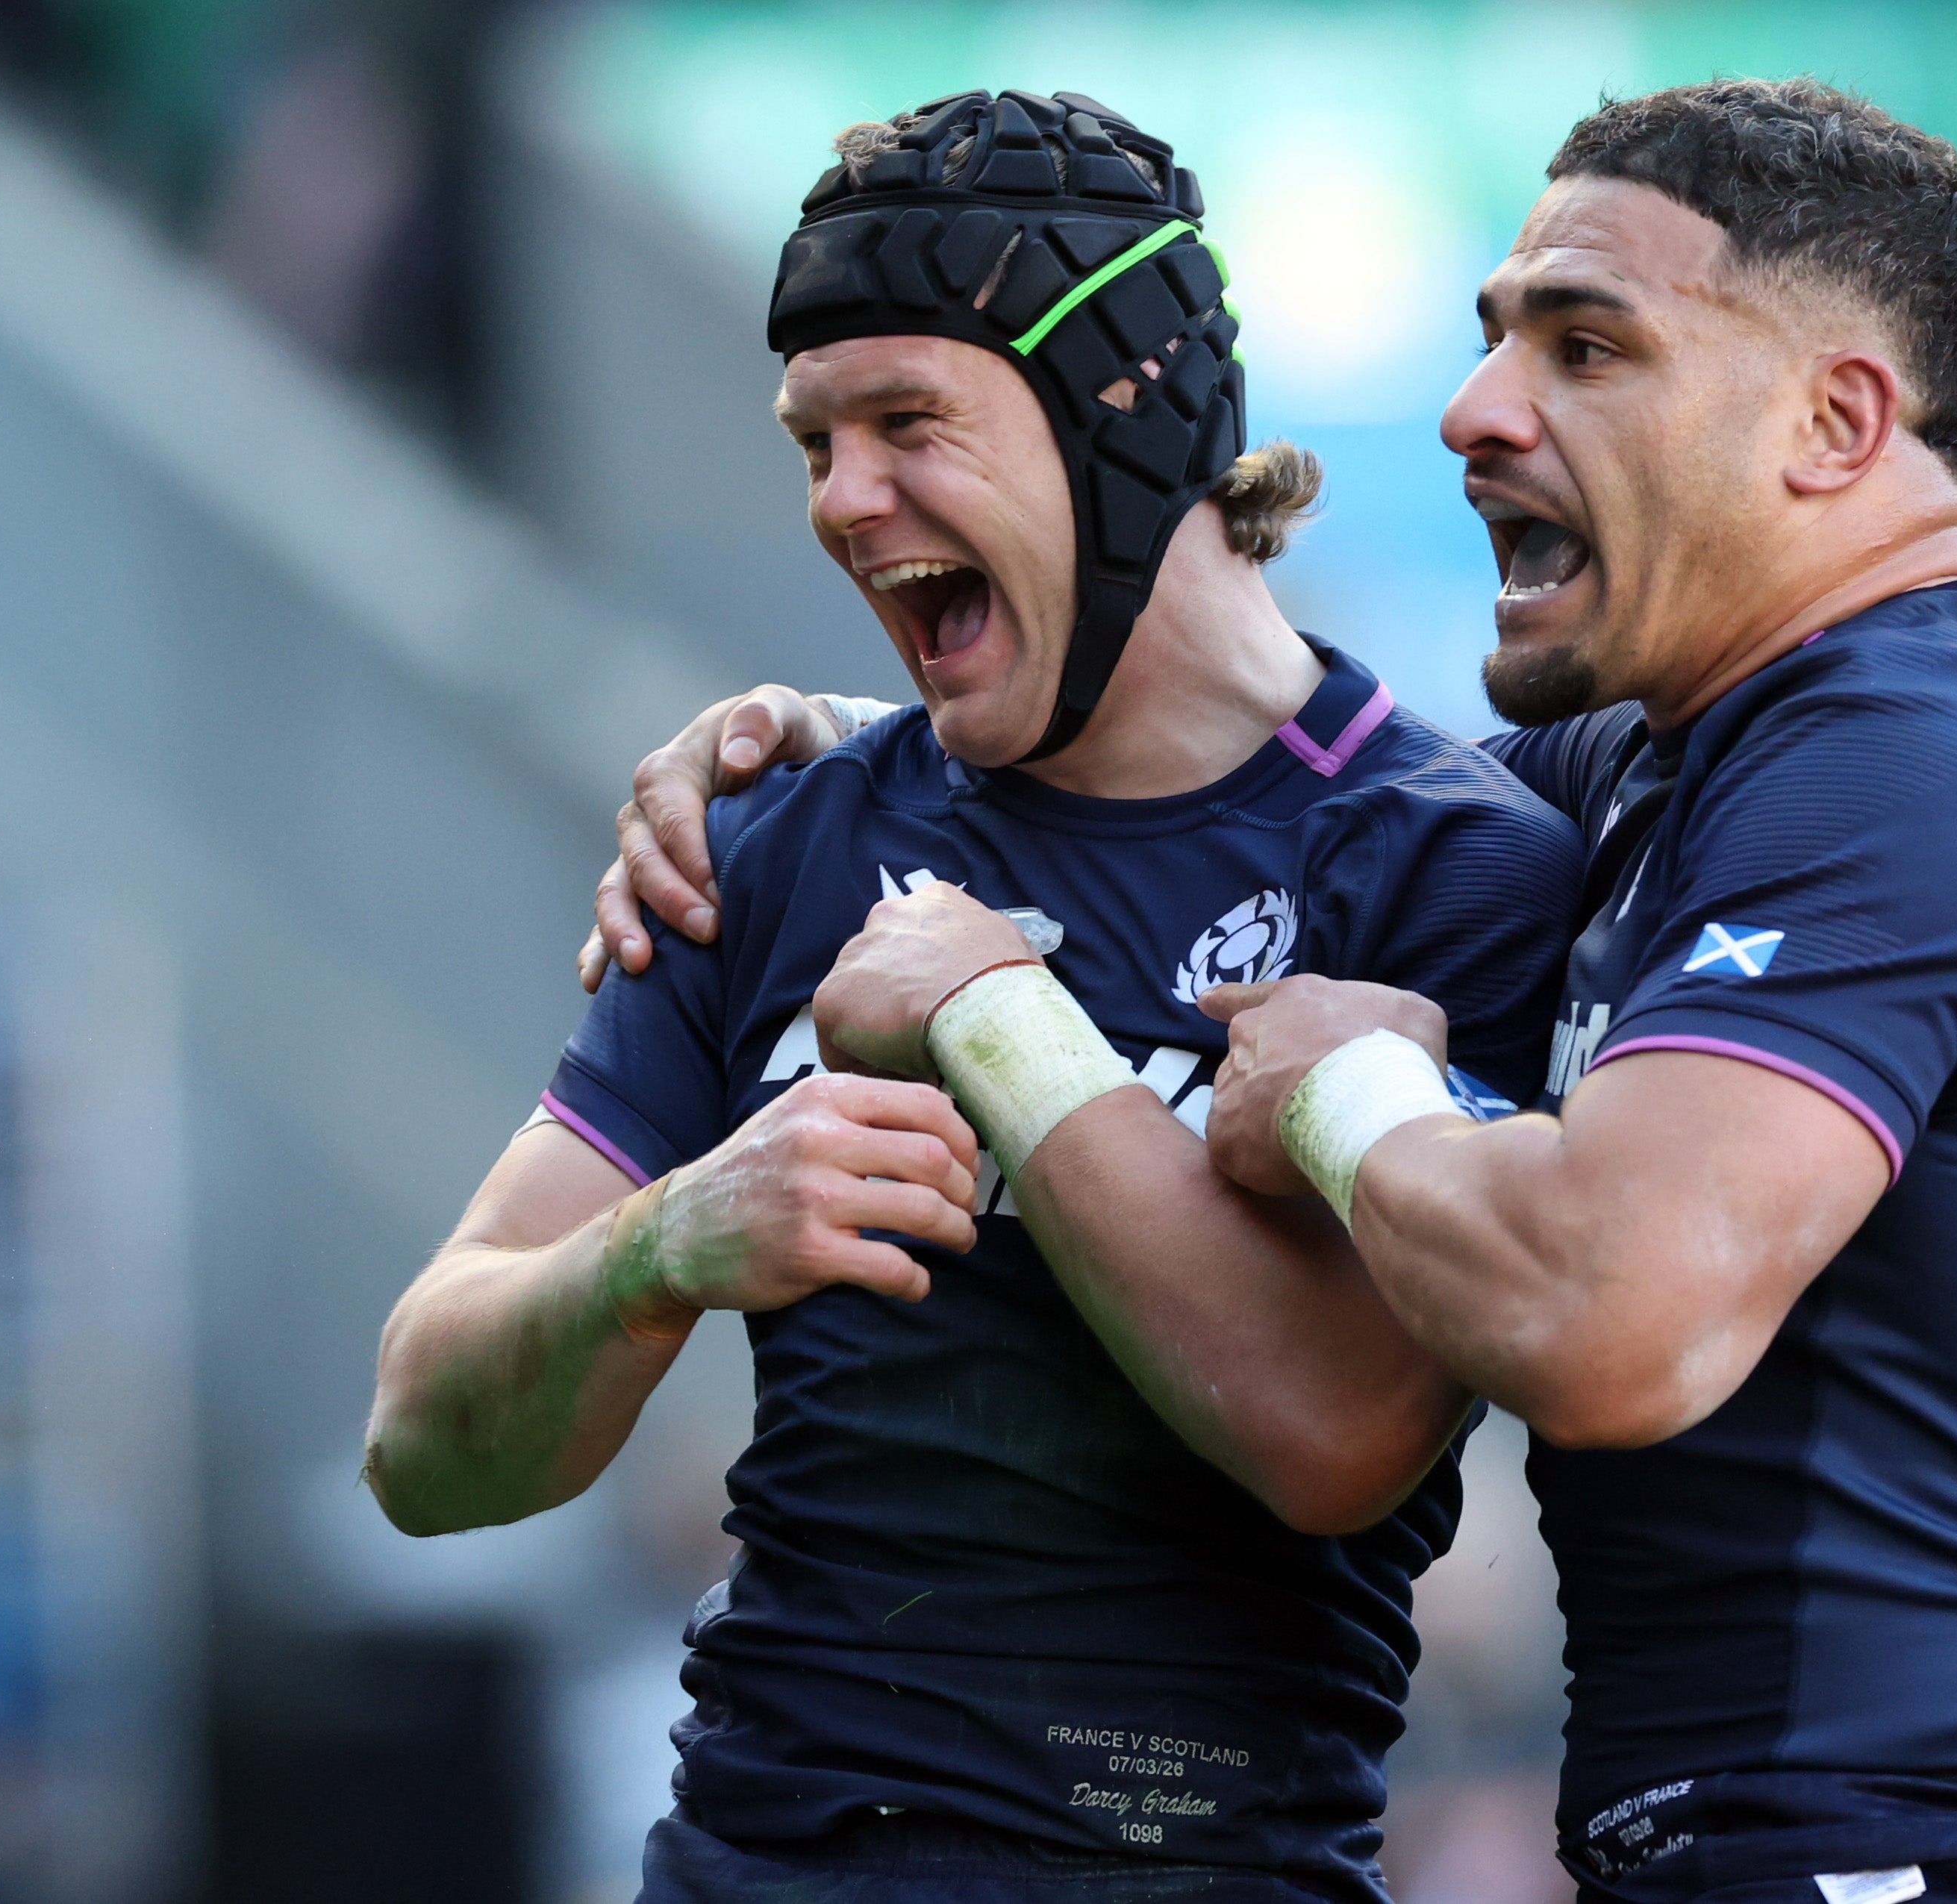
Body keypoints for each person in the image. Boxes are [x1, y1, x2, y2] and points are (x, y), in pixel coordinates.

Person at [607, 81, 1957, 1904]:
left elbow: (1612, 1311)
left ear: (1837, 420)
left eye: (1586, 343)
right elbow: (1262, 783)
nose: (1482, 409)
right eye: (1492, 341)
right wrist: (861, 766)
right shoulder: (1691, 764)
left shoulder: (1906, 750)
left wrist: (1337, 1087)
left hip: (1934, 1870)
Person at [364, 89, 1580, 1904]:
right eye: (814, 441)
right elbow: (421, 1445)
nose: (846, 502)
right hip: (760, 1861)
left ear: (1129, 409)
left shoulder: (1444, 862)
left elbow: (1335, 1434)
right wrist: (665, 1243)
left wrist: (998, 1021)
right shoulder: (765, 833)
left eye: (910, 422)